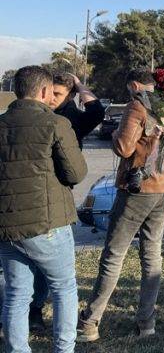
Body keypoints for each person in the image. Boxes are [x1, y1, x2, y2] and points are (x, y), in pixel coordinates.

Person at [77, 69, 164, 342]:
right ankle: (146, 322)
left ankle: (90, 323)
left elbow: (124, 148)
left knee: (114, 256)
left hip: (138, 190)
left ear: (135, 85)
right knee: (152, 255)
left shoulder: (137, 105)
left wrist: (115, 135)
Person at [0, 66, 88, 352]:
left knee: (16, 293)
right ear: (43, 91)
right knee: (64, 288)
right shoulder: (56, 124)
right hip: (47, 224)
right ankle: (64, 349)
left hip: (7, 227)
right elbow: (75, 173)